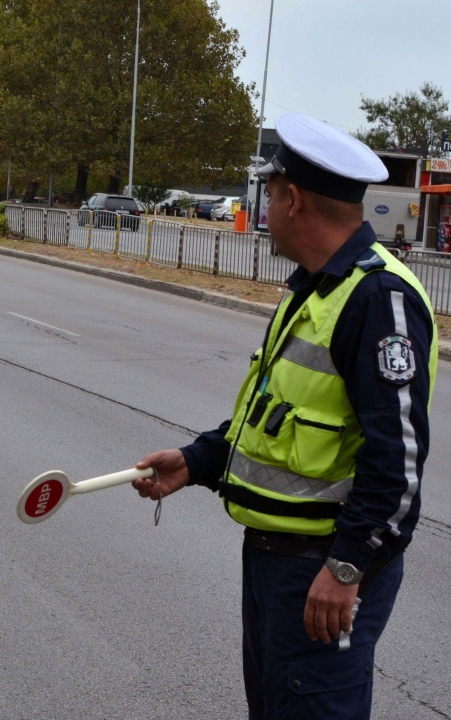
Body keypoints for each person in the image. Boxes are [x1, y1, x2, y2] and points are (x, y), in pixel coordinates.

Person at [131, 114, 435, 720]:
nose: (264, 209)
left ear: (292, 199)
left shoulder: (378, 299)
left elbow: (396, 462)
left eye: (268, 194)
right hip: (276, 561)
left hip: (321, 568)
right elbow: (271, 416)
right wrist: (195, 462)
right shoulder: (313, 289)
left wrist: (346, 567)